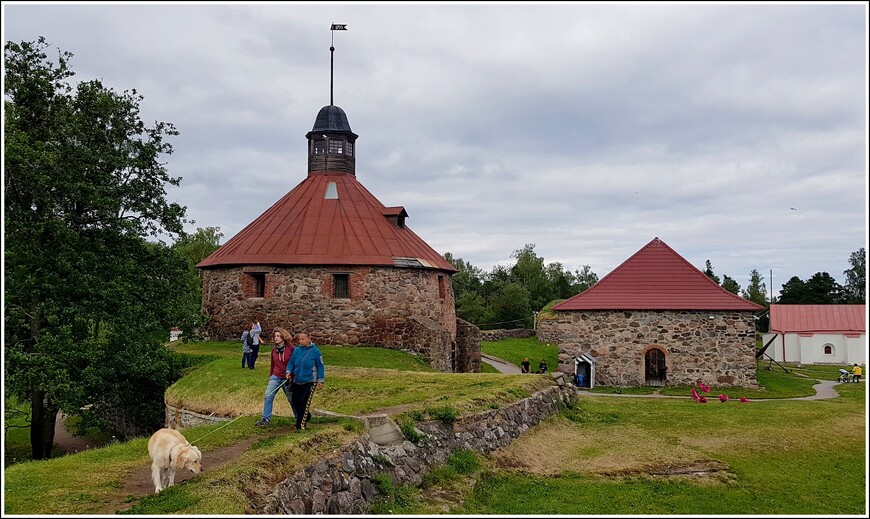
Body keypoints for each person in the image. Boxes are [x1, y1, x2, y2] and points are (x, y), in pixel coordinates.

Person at [254, 328, 295, 427]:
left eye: (278, 336)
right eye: (275, 336)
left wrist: (292, 376)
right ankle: (265, 419)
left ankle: (300, 418)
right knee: (268, 395)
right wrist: (271, 376)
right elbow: (273, 364)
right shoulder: (274, 350)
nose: (276, 338)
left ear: (283, 337)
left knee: (292, 399)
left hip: (287, 378)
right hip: (276, 376)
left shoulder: (292, 348)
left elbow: (295, 363)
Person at [285, 332, 325, 432]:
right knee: (295, 401)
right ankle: (306, 415)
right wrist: (288, 371)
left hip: (310, 381)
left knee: (304, 403)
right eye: (300, 339)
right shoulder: (297, 350)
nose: (301, 341)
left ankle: (300, 425)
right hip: (297, 380)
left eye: (303, 339)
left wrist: (321, 380)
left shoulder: (315, 351)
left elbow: (320, 365)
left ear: (309, 339)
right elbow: (291, 362)